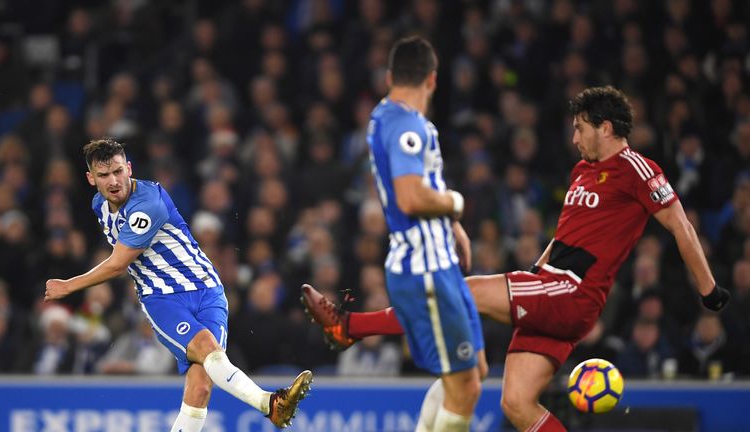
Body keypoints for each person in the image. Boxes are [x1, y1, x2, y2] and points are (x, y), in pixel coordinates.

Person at [302, 86, 730, 431]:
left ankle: (350, 327)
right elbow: (564, 235)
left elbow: (682, 227)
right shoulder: (582, 172)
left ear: (606, 127)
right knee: (517, 404)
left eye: (580, 129)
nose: (574, 139)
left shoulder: (638, 169)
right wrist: (533, 273)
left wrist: (709, 291)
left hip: (573, 292)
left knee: (458, 293)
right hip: (551, 287)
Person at [44, 139, 312, 431]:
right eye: (104, 175)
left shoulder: (148, 203)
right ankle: (269, 403)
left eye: (118, 171)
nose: (114, 181)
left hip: (208, 289)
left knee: (201, 387)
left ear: (129, 168)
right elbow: (123, 259)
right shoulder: (99, 205)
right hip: (163, 299)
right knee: (207, 349)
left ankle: (271, 405)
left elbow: (118, 263)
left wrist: (69, 285)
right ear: (91, 178)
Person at [315, 36, 487, 432]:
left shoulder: (385, 116)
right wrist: (456, 203)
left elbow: (418, 184)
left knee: (473, 371)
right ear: (433, 79)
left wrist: (451, 223)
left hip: (437, 261)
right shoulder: (408, 126)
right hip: (425, 268)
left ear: (390, 76)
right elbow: (410, 196)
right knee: (465, 388)